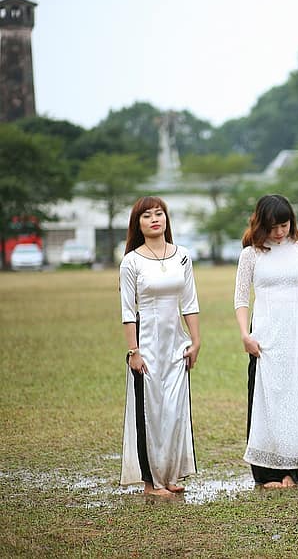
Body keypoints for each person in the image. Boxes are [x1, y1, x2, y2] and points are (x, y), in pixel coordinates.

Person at [233, 194, 298, 488]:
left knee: (294, 401)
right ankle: (264, 472)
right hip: (264, 336)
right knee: (264, 400)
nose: (279, 232)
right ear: (261, 224)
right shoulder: (251, 254)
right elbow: (241, 297)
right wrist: (245, 334)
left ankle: (290, 470)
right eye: (272, 227)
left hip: (296, 335)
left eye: (284, 225)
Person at [119, 196, 201, 497]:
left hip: (177, 344)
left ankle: (169, 475)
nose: (155, 219)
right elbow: (128, 310)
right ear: (137, 223)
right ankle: (150, 482)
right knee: (149, 411)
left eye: (160, 214)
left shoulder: (182, 255)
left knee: (174, 409)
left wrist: (196, 340)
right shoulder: (131, 261)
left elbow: (189, 302)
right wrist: (134, 351)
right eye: (147, 216)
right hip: (147, 345)